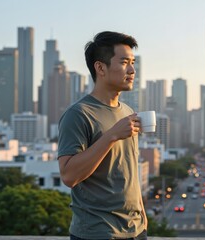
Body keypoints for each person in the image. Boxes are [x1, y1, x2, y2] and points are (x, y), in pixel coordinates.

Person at [57, 31, 147, 240]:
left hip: (136, 230)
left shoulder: (126, 111)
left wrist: (142, 215)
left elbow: (128, 169)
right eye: (125, 62)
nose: (133, 70)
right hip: (97, 232)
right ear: (100, 67)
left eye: (133, 62)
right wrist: (111, 136)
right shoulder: (78, 114)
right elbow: (69, 176)